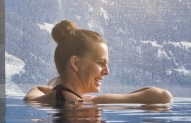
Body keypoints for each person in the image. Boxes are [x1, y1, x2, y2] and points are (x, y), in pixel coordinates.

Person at [23, 20, 172, 106]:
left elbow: (37, 89)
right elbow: (164, 96)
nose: (107, 71)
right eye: (101, 63)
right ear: (75, 63)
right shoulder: (88, 104)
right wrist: (100, 99)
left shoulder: (37, 100)